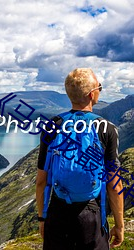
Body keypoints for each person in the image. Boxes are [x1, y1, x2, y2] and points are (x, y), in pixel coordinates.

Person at [36, 68, 124, 249]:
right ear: (92, 94)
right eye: (100, 87)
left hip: (58, 212)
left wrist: (42, 218)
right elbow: (114, 184)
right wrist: (119, 226)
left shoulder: (53, 125)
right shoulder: (106, 129)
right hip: (90, 215)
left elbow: (41, 181)